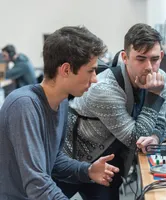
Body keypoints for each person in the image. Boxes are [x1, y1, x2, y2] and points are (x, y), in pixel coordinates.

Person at [0, 26, 120, 200]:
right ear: (65, 70)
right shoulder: (24, 105)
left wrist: (87, 170)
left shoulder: (61, 102)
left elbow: (54, 160)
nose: (95, 79)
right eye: (91, 71)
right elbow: (37, 184)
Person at [55, 23, 166, 200]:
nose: (149, 67)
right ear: (125, 57)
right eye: (140, 59)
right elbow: (135, 139)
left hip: (108, 159)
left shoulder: (161, 78)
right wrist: (154, 96)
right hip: (74, 159)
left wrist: (154, 137)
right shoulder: (105, 89)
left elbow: (161, 122)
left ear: (161, 56)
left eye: (154, 59)